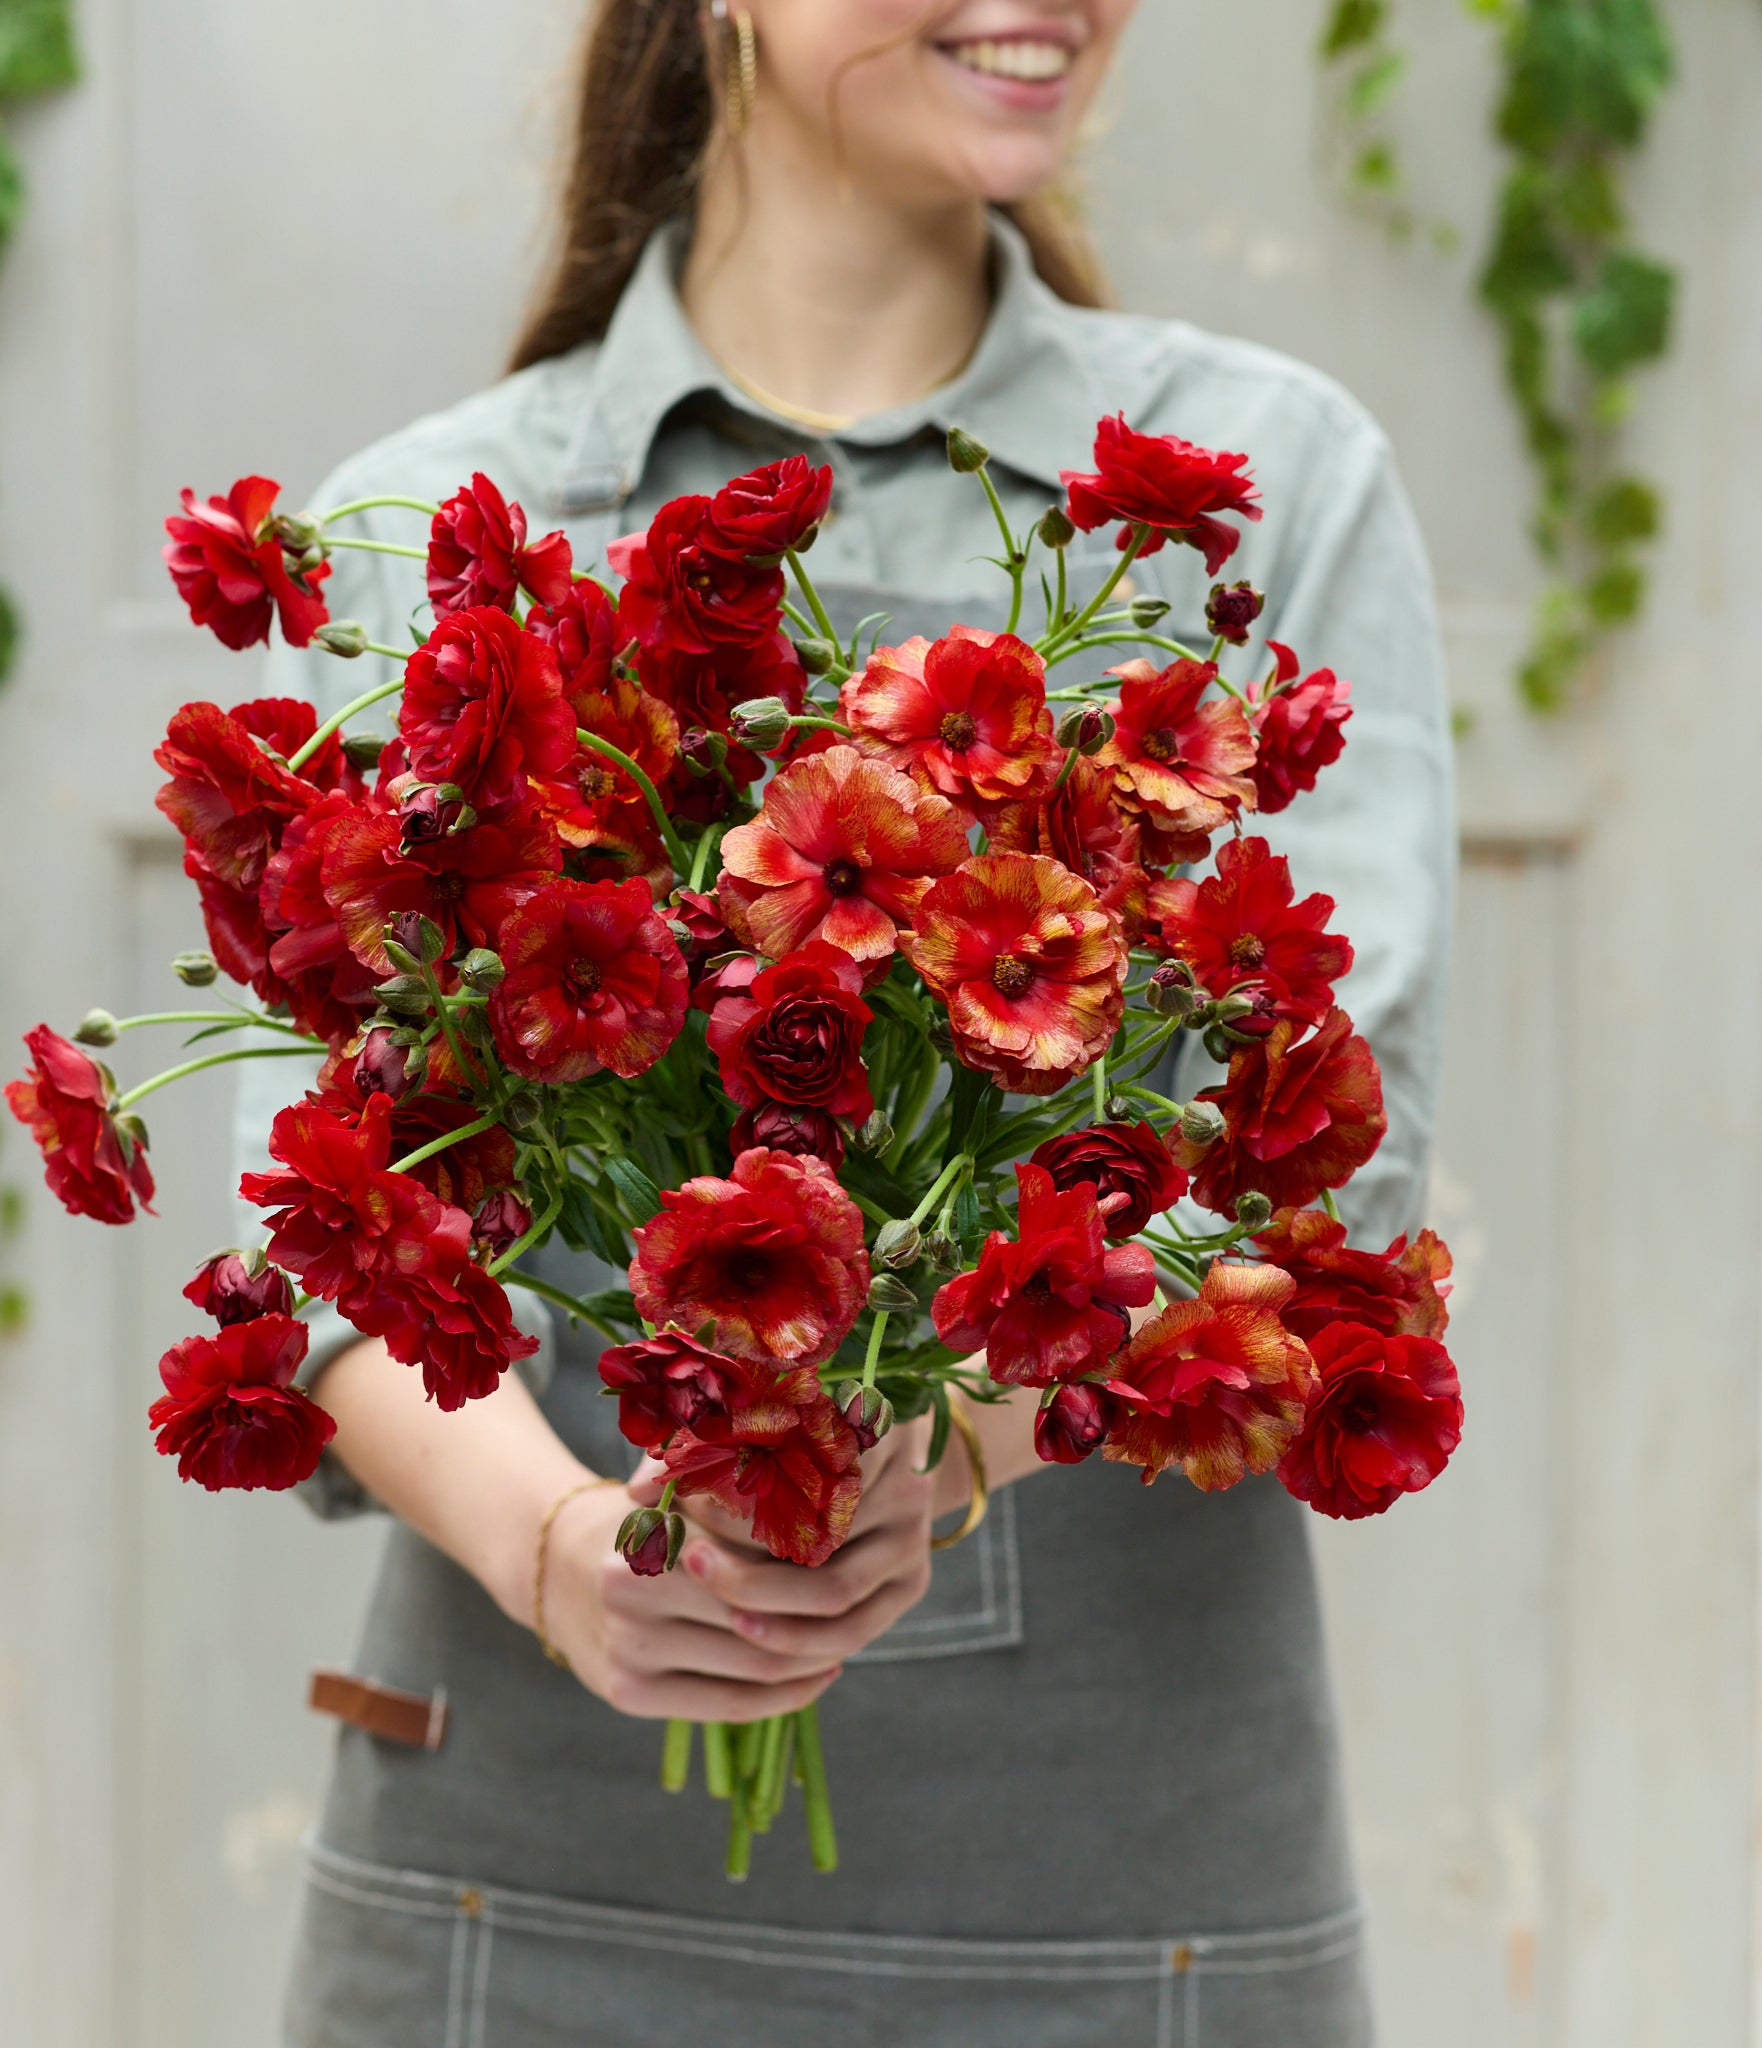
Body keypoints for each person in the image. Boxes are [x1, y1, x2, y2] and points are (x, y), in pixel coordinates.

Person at [249, 3, 1454, 2042]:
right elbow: (312, 1228)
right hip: (519, 1908)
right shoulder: (440, 524)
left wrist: (913, 1448)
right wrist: (560, 1551)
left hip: (1120, 1894)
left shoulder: (1263, 503)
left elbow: (1332, 1150)